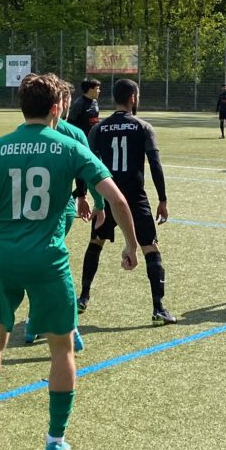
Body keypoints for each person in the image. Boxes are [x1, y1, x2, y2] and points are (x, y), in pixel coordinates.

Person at [0, 73, 139, 450]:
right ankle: (55, 440)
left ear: (22, 107)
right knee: (62, 348)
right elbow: (118, 200)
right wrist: (130, 244)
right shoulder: (70, 146)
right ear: (57, 108)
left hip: (3, 258)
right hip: (48, 260)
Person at [78, 78, 177, 324]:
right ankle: (158, 309)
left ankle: (83, 297)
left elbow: (86, 164)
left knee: (95, 244)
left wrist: (83, 194)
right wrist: (163, 199)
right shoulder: (143, 127)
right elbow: (155, 165)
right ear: (133, 98)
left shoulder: (99, 128)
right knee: (150, 248)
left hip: (108, 194)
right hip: (135, 196)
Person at [23, 78, 106, 351]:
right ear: (61, 104)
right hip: (60, 210)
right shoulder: (74, 134)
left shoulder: (20, 135)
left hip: (25, 211)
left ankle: (34, 322)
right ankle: (67, 326)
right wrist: (98, 204)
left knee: (36, 266)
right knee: (55, 267)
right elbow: (94, 175)